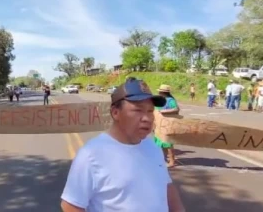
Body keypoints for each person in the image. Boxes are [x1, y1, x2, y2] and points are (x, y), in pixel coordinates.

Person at [60, 79, 185, 212]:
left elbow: (167, 188)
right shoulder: (91, 154)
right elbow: (71, 206)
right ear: (115, 113)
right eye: (138, 110)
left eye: (150, 111)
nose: (147, 118)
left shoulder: (153, 147)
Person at [154, 84, 180, 168]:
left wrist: (163, 111)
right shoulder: (160, 99)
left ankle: (172, 161)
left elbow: (176, 109)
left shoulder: (170, 100)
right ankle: (163, 159)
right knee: (160, 142)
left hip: (167, 124)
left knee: (168, 143)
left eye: (160, 91)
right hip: (159, 123)